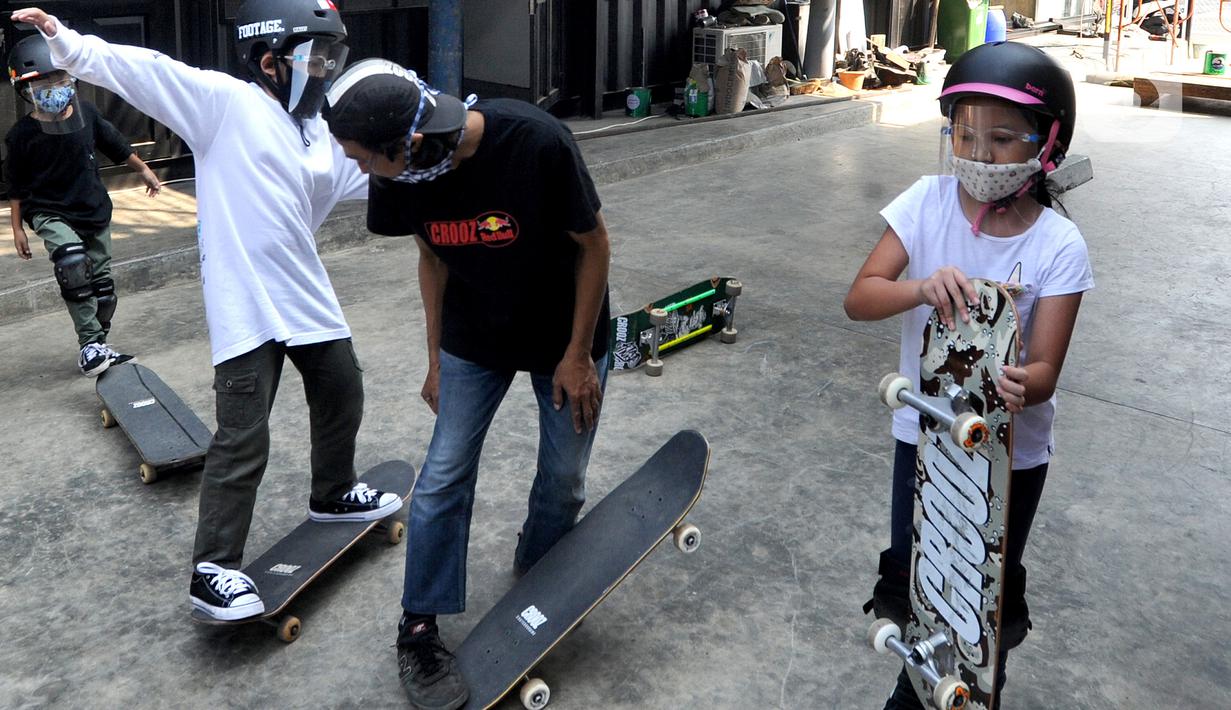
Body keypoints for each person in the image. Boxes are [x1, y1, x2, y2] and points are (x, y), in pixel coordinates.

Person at [11, 1, 401, 622]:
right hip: (245, 301)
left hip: (305, 294)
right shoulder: (227, 105)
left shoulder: (319, 134)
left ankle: (333, 494)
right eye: (314, 57)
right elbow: (148, 69)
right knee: (244, 437)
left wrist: (433, 154)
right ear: (271, 61)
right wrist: (70, 44)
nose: (326, 69)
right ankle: (213, 568)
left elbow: (367, 180)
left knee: (342, 390)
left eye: (334, 56)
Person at [323, 59, 610, 710]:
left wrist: (576, 355)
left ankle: (541, 567)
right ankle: (419, 624)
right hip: (473, 338)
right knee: (444, 473)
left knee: (562, 478)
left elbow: (594, 245)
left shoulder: (534, 142)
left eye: (364, 160)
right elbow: (430, 255)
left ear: (410, 143)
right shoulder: (404, 170)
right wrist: (434, 358)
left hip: (562, 335)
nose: (362, 172)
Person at [843, 41, 1094, 709]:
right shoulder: (924, 203)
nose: (979, 155)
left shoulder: (1057, 244)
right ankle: (916, 685)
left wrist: (1023, 384)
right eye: (965, 134)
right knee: (922, 579)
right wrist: (920, 288)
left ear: (1048, 144)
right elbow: (860, 296)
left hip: (1010, 456)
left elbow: (1044, 371)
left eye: (1003, 138)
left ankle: (972, 691)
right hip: (921, 438)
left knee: (981, 595)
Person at [6, 34, 160, 377]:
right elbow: (15, 184)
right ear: (25, 89)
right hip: (48, 209)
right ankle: (89, 344)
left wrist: (145, 170)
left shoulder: (87, 112)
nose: (54, 88)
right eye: (43, 84)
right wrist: (17, 228)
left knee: (103, 289)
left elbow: (116, 144)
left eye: (60, 79)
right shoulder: (21, 135)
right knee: (73, 264)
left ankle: (98, 344)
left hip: (91, 207)